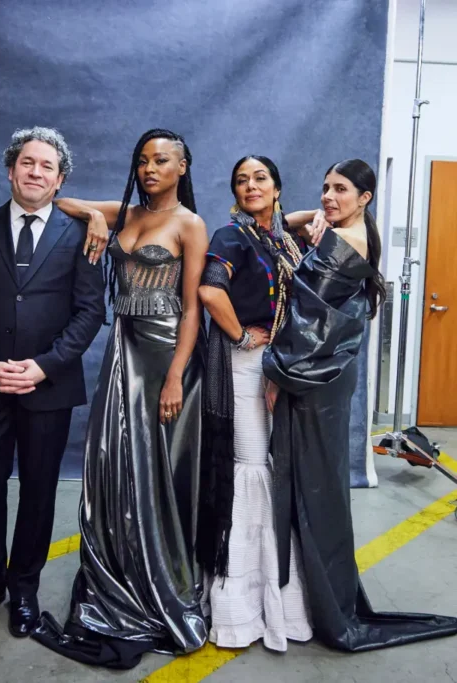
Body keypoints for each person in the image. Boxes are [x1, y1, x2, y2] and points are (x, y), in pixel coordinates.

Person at [29, 128, 211, 668]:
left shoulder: (189, 224)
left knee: (155, 472)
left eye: (161, 161)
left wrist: (177, 375)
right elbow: (60, 199)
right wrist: (96, 217)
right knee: (114, 469)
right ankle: (120, 570)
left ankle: (161, 579)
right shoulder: (125, 214)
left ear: (182, 167)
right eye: (142, 160)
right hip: (122, 351)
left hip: (165, 358)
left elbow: (193, 308)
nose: (149, 168)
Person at [263, 159, 457, 651]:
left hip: (313, 378)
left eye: (341, 189)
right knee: (319, 483)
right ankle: (314, 596)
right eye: (325, 187)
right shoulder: (349, 234)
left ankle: (327, 607)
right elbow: (280, 224)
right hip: (326, 374)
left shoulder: (343, 243)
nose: (328, 196)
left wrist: (274, 372)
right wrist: (325, 216)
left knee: (318, 486)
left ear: (365, 197)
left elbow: (304, 327)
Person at [0, 127, 106, 638]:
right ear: (10, 170)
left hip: (48, 386)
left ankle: (25, 589)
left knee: (38, 490)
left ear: (59, 181)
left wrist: (45, 365)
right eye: (27, 163)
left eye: (47, 167)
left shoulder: (81, 234)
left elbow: (89, 311)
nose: (36, 172)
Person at [197, 155, 314, 651]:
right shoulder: (231, 237)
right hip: (244, 367)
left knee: (273, 467)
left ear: (277, 186)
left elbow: (295, 219)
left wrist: (315, 216)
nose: (250, 185)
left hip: (278, 371)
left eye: (260, 178)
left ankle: (281, 604)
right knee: (249, 469)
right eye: (241, 180)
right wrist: (244, 336)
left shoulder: (279, 238)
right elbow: (208, 290)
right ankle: (239, 612)